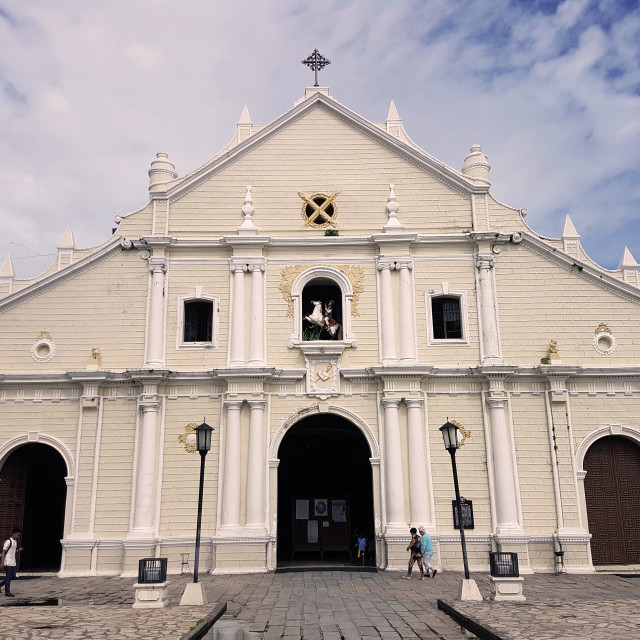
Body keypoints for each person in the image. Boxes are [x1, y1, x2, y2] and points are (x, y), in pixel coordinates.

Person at [0, 529, 23, 597]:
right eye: (18, 535)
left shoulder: (15, 542)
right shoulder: (8, 541)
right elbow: (4, 552)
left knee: (13, 576)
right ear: (14, 534)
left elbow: (12, 551)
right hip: (8, 561)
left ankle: (0, 585)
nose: (18, 536)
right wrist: (2, 562)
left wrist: (18, 550)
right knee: (8, 577)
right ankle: (7, 592)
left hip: (13, 562)